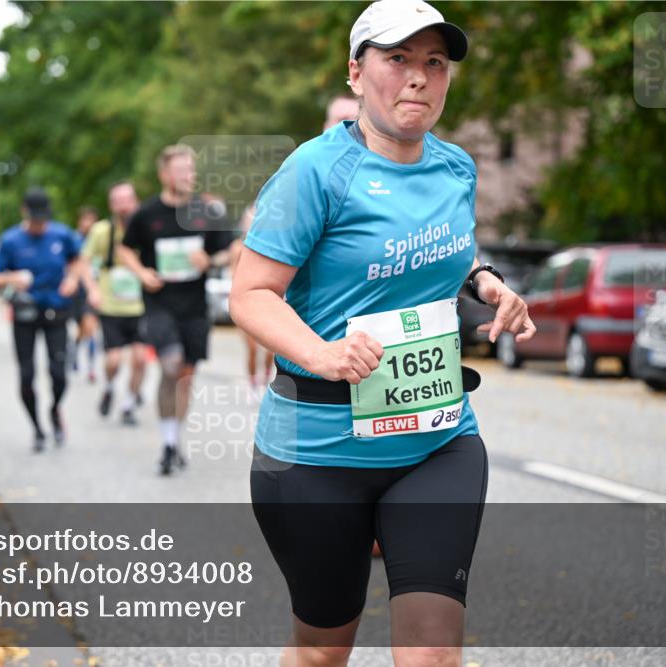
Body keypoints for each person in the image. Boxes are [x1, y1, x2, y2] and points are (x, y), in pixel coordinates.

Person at [229, 1, 536, 665]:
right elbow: (250, 294)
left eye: (434, 62)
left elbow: (447, 252)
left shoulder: (456, 168)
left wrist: (488, 283)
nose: (419, 77)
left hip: (436, 439)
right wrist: (324, 352)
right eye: (397, 59)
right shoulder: (314, 171)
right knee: (322, 650)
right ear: (356, 71)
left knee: (431, 653)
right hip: (316, 454)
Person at [117, 145, 232, 475]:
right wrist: (142, 273)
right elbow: (125, 250)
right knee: (169, 364)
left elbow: (229, 250)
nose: (188, 176)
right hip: (159, 303)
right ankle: (168, 443)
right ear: (164, 175)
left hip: (194, 306)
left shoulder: (206, 212)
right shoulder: (148, 213)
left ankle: (174, 438)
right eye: (181, 170)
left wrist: (210, 260)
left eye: (191, 170)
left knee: (185, 375)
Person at [0, 187, 85, 451]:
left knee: (58, 373)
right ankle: (37, 428)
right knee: (27, 375)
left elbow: (78, 261)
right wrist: (12, 278)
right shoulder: (10, 241)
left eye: (43, 220)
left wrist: (73, 279)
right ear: (24, 213)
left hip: (56, 311)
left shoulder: (62, 235)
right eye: (35, 220)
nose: (40, 225)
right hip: (25, 314)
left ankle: (55, 409)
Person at [82, 180, 147, 426]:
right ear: (111, 205)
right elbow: (84, 262)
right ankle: (109, 386)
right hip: (111, 306)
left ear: (136, 202)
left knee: (140, 359)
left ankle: (129, 404)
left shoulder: (145, 227)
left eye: (127, 200)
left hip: (141, 306)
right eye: (117, 201)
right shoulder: (101, 231)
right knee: (114, 360)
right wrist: (92, 289)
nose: (123, 207)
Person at [228, 203, 274, 390]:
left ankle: (266, 380)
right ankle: (253, 383)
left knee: (272, 349)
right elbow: (233, 275)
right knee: (253, 348)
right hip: (247, 302)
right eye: (250, 219)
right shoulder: (238, 248)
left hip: (269, 302)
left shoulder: (271, 245)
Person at [70, 205, 101, 382]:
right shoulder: (74, 240)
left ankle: (90, 367)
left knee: (90, 328)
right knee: (81, 328)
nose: (89, 224)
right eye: (86, 220)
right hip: (78, 292)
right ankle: (73, 349)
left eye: (92, 220)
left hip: (94, 292)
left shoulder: (99, 240)